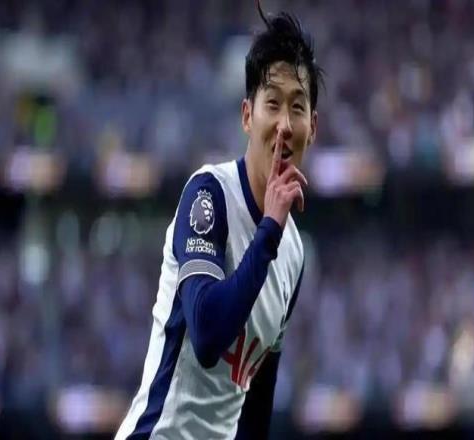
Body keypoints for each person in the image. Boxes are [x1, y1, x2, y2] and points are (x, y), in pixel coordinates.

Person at [115, 2, 322, 439]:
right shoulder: (209, 196)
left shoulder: (293, 253)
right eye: (272, 104)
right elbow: (208, 335)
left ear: (313, 126)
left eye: (297, 107)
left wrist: (274, 234)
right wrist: (268, 231)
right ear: (247, 116)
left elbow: (257, 395)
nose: (285, 125)